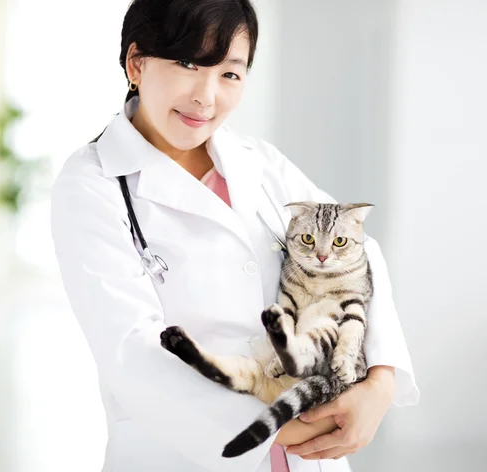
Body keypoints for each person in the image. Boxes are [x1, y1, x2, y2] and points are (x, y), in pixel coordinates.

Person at [50, 1, 420, 471]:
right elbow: (131, 352)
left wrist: (380, 382)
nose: (206, 96)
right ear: (136, 63)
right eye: (187, 64)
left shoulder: (258, 163)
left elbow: (360, 250)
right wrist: (281, 425)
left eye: (230, 73)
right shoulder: (92, 184)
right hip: (190, 453)